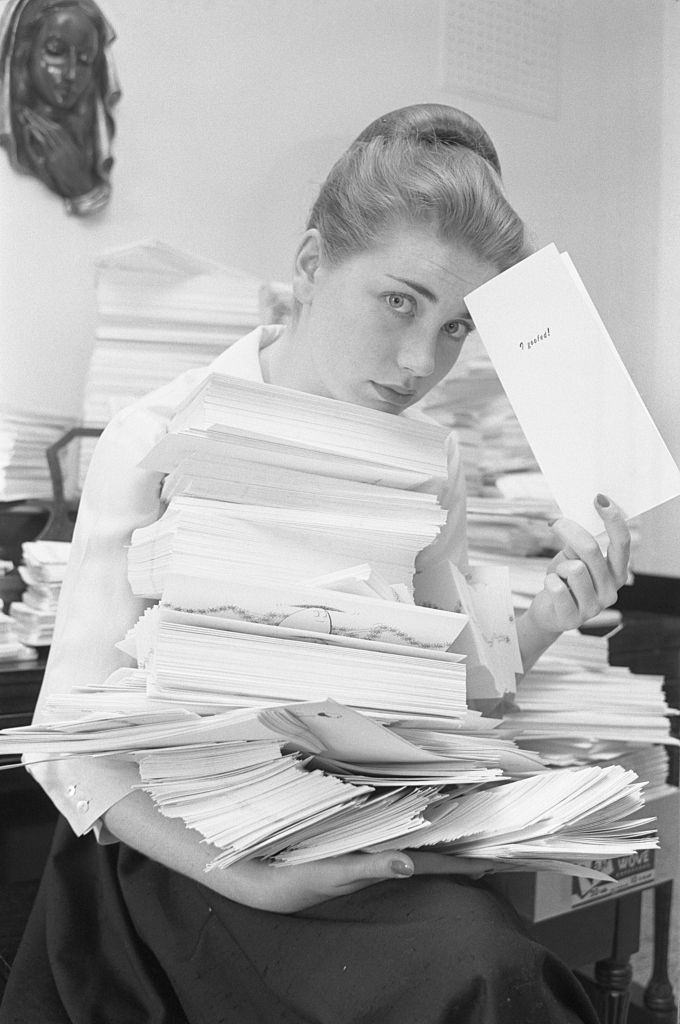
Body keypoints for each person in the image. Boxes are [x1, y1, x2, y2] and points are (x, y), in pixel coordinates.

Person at [0, 103, 630, 1024]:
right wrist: (254, 881)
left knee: (488, 963)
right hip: (182, 857)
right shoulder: (161, 435)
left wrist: (549, 615)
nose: (420, 360)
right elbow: (71, 750)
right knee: (475, 969)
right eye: (399, 302)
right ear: (309, 265)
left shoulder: (432, 459)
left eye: (456, 328)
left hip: (352, 830)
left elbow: (457, 696)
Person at [0, 0, 120, 215]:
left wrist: (83, 185)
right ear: (25, 52)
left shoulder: (86, 136)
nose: (71, 74)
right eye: (55, 52)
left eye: (85, 59)